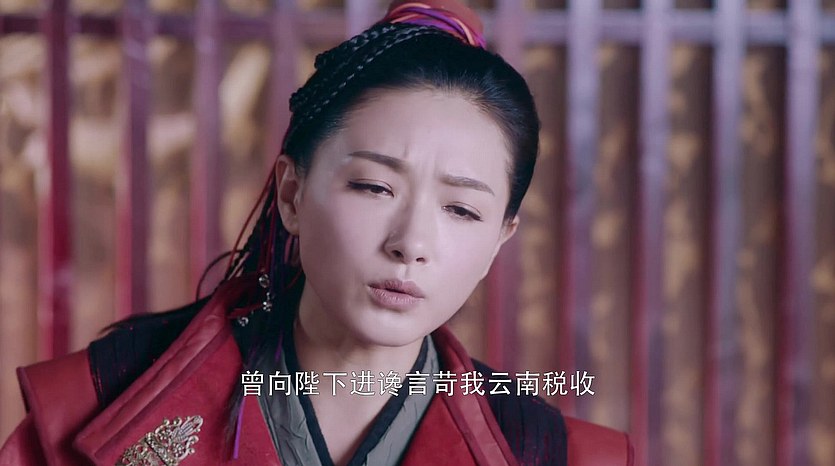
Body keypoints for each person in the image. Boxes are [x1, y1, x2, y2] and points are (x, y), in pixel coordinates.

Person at [0, 1, 633, 465]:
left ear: (500, 239)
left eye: (462, 210)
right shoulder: (95, 406)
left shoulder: (561, 456)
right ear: (292, 195)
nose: (411, 244)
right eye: (374, 187)